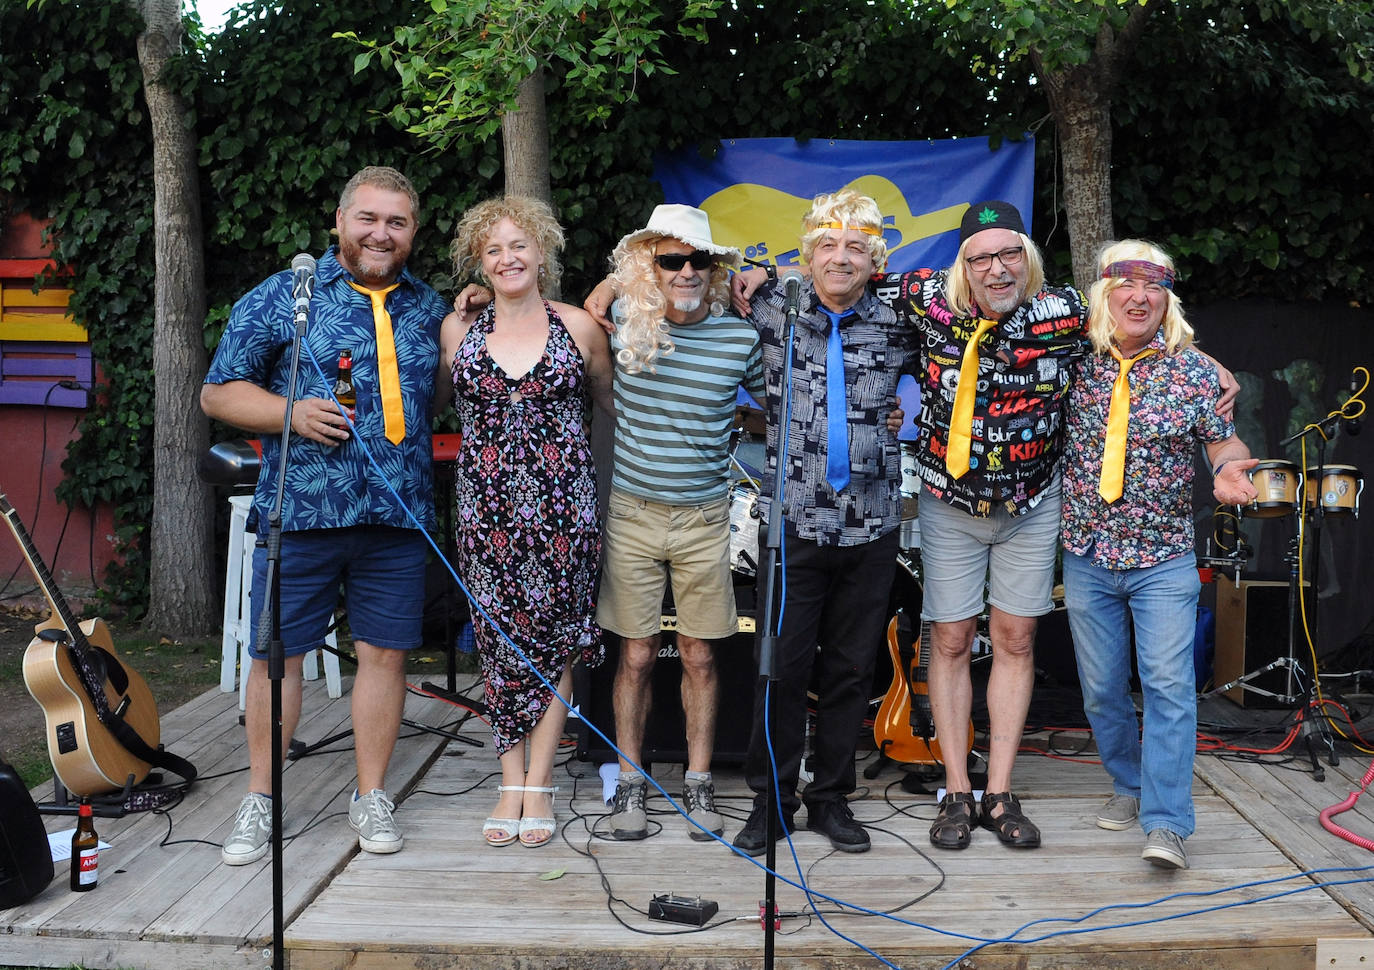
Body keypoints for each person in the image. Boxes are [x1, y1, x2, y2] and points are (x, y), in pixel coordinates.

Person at [202, 165, 449, 865]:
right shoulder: (289, 296)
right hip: (302, 510)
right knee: (277, 658)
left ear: (413, 232)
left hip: (394, 517)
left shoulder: (431, 307)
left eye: (396, 222)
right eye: (368, 219)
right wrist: (289, 413)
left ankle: (371, 796)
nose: (381, 233)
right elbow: (218, 394)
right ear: (339, 222)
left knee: (385, 656)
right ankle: (262, 798)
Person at [727, 189, 915, 855]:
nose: (841, 258)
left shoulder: (900, 318)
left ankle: (831, 799)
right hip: (792, 523)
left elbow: (976, 342)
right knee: (779, 665)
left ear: (874, 262)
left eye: (856, 248)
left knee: (850, 668)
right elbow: (662, 277)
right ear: (806, 257)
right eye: (828, 246)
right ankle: (770, 802)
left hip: (870, 523)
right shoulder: (772, 305)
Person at [1059, 240, 1257, 870]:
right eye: (1127, 285)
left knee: (1170, 686)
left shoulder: (1193, 372)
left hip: (1164, 558)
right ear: (1104, 292)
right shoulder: (1069, 360)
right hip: (1086, 552)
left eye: (1155, 288)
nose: (1140, 298)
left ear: (1167, 298)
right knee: (1099, 691)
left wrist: (1229, 469)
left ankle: (1167, 822)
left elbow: (1224, 443)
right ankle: (1129, 783)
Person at [582, 205, 765, 843]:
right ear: (647, 267)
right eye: (670, 260)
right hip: (632, 512)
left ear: (715, 269)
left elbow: (781, 406)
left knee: (701, 655)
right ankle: (630, 785)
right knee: (632, 655)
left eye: (700, 259)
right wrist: (607, 287)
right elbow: (560, 320)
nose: (686, 271)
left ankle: (698, 783)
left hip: (706, 516)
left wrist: (761, 275)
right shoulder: (621, 322)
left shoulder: (741, 337)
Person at [438, 196, 613, 848]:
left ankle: (538, 784)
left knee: (554, 644)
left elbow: (612, 405)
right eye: (494, 250)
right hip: (487, 517)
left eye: (519, 245)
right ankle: (508, 780)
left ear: (542, 251)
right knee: (497, 645)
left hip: (564, 513)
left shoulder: (578, 328)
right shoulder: (459, 332)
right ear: (479, 262)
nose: (508, 258)